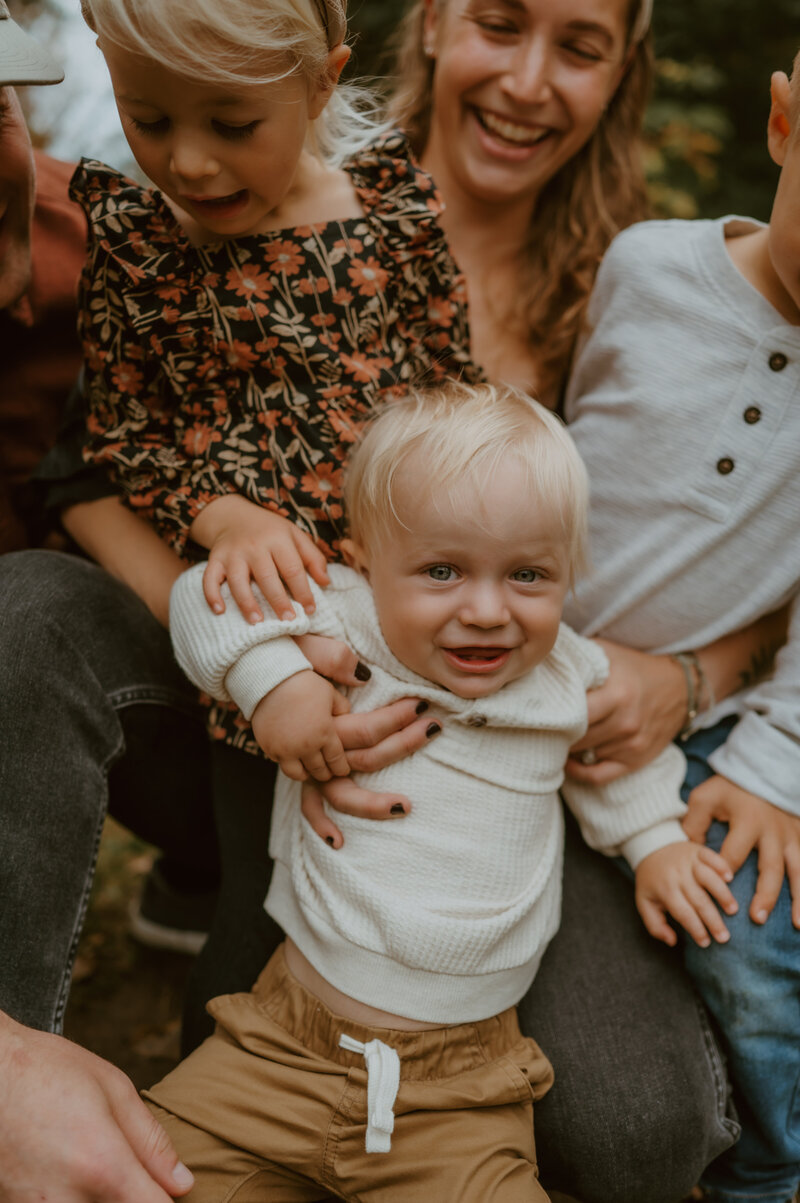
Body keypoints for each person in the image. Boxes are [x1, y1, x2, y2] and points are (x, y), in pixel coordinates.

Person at [36, 1, 774, 1201]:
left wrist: (685, 677)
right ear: (429, 24)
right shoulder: (204, 224)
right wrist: (261, 624)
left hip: (503, 762)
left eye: (577, 46)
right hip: (271, 674)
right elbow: (93, 460)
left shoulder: (630, 283)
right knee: (242, 1026)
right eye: (496, 23)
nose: (527, 81)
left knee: (640, 1133)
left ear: (620, 70)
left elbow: (712, 542)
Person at [145, 381, 736, 1202]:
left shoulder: (566, 675)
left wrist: (657, 842)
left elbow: (617, 762)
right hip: (275, 1050)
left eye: (528, 574)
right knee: (142, 1175)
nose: (488, 610)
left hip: (464, 1092)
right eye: (443, 570)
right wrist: (274, 685)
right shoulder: (346, 621)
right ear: (363, 558)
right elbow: (203, 601)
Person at [560, 51, 800, 1203]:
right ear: (780, 122)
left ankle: (768, 1172)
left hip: (721, 737)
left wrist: (769, 771)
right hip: (525, 681)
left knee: (750, 944)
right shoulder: (644, 268)